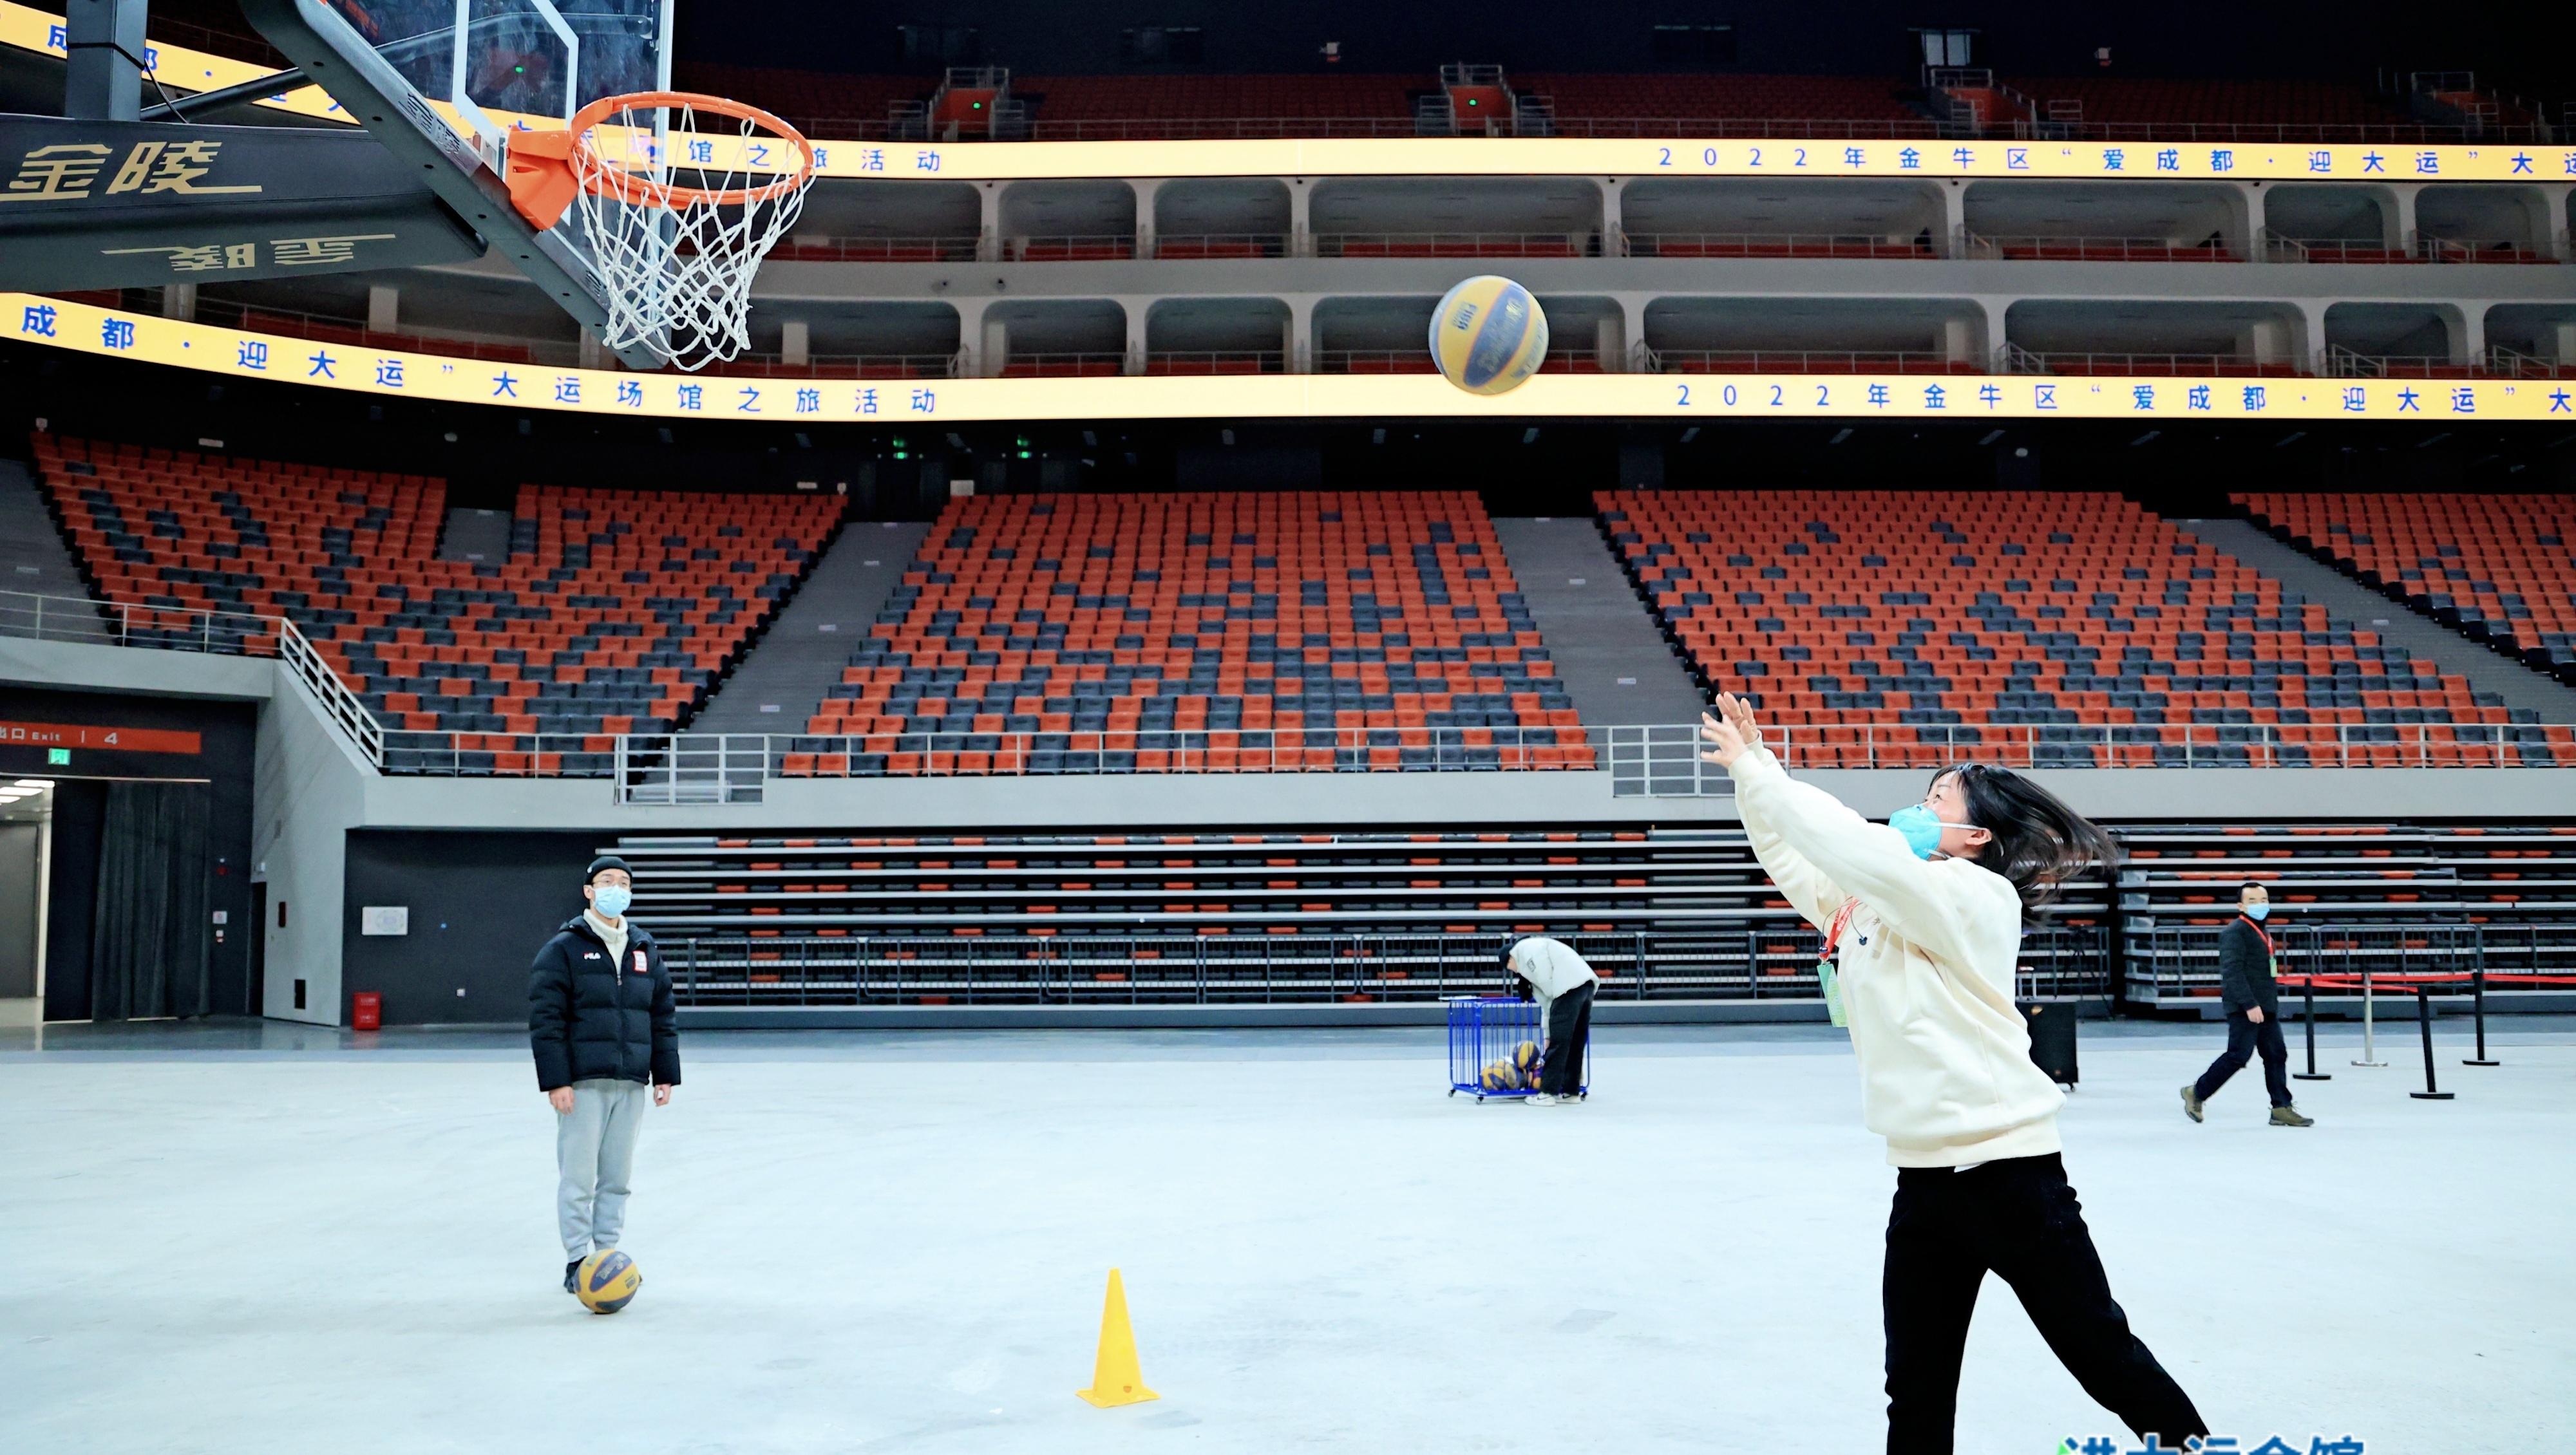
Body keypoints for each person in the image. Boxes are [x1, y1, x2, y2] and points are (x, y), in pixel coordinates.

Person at [1699, 693, 2205, 1454]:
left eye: (1935, 797)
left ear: (1974, 835)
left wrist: (1763, 772)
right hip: (1922, 1184)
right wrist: (1753, 771)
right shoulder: (1874, 901)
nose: (1916, 804)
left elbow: (1852, 846)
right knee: (1916, 1383)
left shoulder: (1973, 895)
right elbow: (1793, 855)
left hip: (2011, 1178)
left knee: (2101, 1352)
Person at [529, 855, 679, 1297]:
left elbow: (661, 1015)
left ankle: (607, 1256)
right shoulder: (563, 949)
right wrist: (556, 1081)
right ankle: (578, 1260)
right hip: (582, 1083)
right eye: (607, 881)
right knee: (578, 1178)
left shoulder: (644, 947)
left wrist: (664, 1074)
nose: (617, 888)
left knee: (617, 1177)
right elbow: (546, 1020)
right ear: (589, 892)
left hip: (630, 1081)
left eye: (624, 882)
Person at [2183, 883, 2315, 1127]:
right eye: (2253, 901)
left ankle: (2281, 1107)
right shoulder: (2236, 932)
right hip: (2246, 1007)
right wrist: (2249, 1004)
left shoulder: (2262, 931)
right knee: (2238, 1056)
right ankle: (2197, 1092)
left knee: (2276, 1054)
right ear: (2240, 906)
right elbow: (2232, 972)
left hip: (2266, 1007)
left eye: (2263, 899)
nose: (2260, 904)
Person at [1503, 935, 1596, 1107]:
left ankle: (1547, 1093)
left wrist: (1552, 1035)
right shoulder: (1531, 966)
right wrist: (1547, 1035)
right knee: (1575, 1042)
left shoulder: (1525, 948)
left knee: (1559, 1044)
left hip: (1567, 989)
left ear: (1510, 958)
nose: (1514, 971)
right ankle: (1571, 1092)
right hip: (1585, 985)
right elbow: (1548, 1006)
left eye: (1509, 967)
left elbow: (1547, 983)